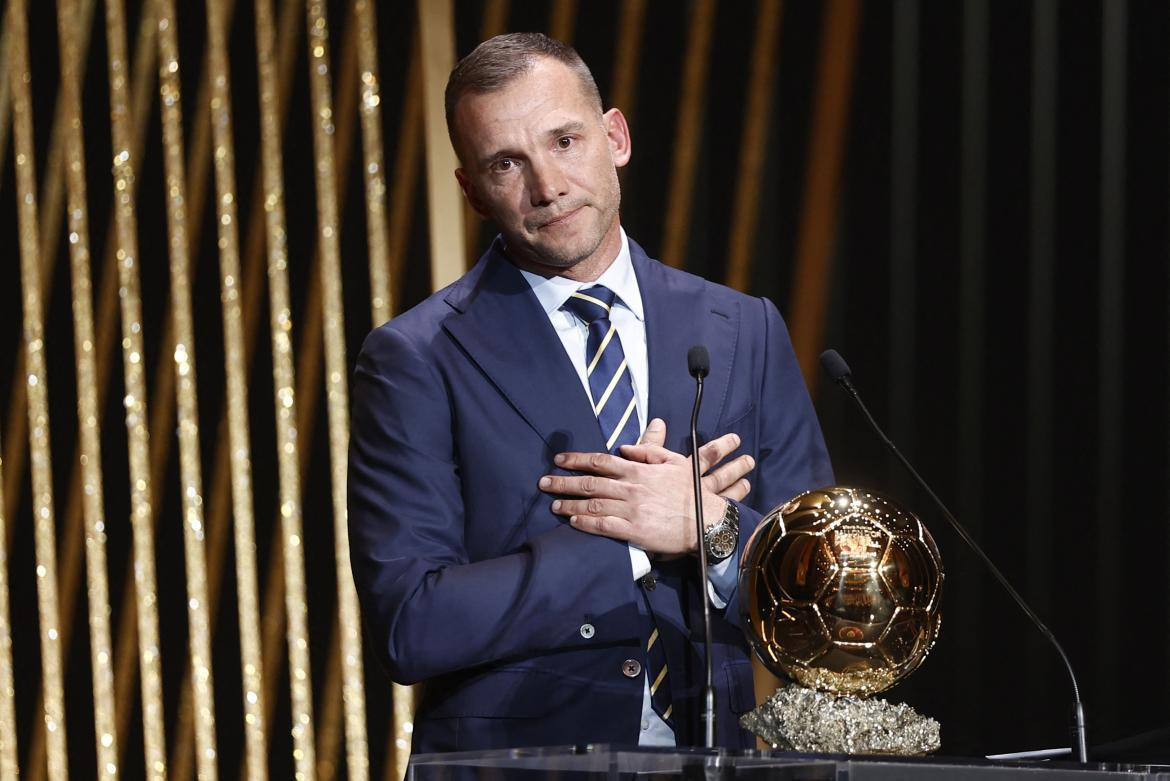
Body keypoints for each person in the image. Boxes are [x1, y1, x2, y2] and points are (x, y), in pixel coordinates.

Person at [347, 32, 833, 755]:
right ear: (472, 192)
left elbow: (821, 583)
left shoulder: (743, 328)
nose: (548, 186)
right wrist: (632, 540)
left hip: (718, 757)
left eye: (566, 141)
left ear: (616, 137)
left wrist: (714, 529)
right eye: (507, 164)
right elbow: (409, 625)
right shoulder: (415, 358)